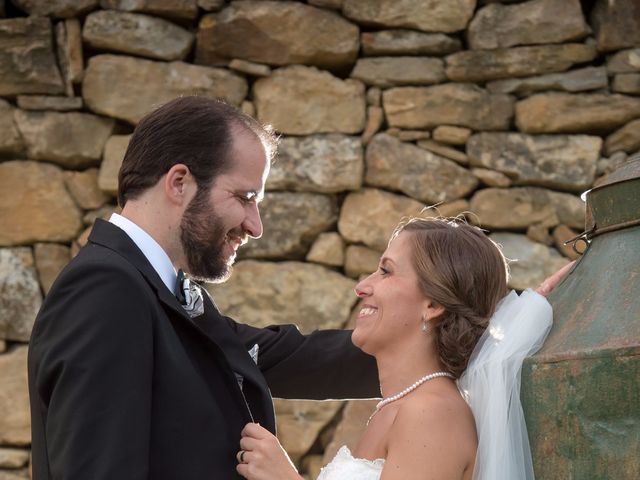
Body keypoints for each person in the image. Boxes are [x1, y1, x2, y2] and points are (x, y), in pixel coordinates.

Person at [27, 96, 380, 480]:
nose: (255, 226)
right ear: (179, 183)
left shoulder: (153, 289)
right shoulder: (106, 290)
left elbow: (288, 358)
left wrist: (426, 347)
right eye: (245, 198)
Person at [235, 218, 570, 480]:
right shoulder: (401, 406)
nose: (362, 286)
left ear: (433, 305)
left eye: (386, 271)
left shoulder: (431, 414)